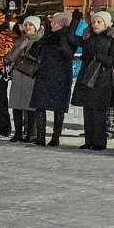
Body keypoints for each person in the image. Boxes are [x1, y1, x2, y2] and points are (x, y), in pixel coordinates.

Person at [71, 10, 114, 151]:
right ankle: (89, 140)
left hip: (102, 79)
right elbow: (71, 38)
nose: (96, 24)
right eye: (93, 22)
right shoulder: (88, 37)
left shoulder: (112, 38)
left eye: (99, 22)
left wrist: (99, 57)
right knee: (88, 111)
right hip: (87, 78)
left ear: (106, 23)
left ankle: (99, 142)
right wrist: (76, 20)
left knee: (99, 112)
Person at [30, 10, 81, 146]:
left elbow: (68, 55)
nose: (50, 23)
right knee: (40, 105)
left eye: (52, 21)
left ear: (59, 23)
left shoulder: (67, 37)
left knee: (58, 107)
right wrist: (40, 41)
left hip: (60, 77)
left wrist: (61, 44)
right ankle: (41, 137)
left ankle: (55, 137)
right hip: (44, 75)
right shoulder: (47, 36)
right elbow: (34, 53)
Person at [4, 16, 45, 143]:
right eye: (26, 25)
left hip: (31, 75)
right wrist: (21, 46)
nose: (27, 27)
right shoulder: (21, 39)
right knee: (16, 103)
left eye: (30, 25)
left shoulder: (41, 40)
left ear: (36, 27)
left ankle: (31, 133)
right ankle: (18, 132)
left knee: (29, 104)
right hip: (18, 73)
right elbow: (11, 56)